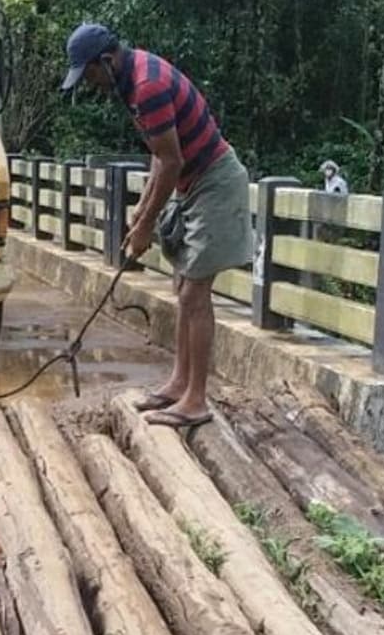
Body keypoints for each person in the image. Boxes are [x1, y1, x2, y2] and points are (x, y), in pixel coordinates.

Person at [61, 23, 253, 430]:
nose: (92, 85)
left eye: (91, 74)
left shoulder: (147, 87)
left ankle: (196, 400)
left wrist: (148, 224)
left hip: (215, 182)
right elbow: (159, 155)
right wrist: (142, 209)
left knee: (195, 293)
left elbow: (172, 161)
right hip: (192, 184)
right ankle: (179, 383)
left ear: (107, 61)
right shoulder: (134, 80)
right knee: (181, 287)